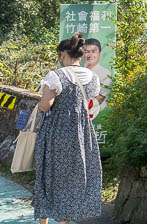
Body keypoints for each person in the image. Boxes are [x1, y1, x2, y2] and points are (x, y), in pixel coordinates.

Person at [33, 32, 102, 224]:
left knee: (48, 174)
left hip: (57, 131)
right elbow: (90, 99)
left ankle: (44, 221)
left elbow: (47, 104)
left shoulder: (56, 75)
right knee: (74, 177)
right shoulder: (92, 77)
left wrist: (38, 107)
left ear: (62, 54)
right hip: (82, 133)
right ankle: (65, 221)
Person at [81, 39, 111, 119]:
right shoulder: (77, 71)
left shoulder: (105, 73)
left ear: (99, 54)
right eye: (86, 52)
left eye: (93, 51)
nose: (89, 55)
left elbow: (100, 98)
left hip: (98, 116)